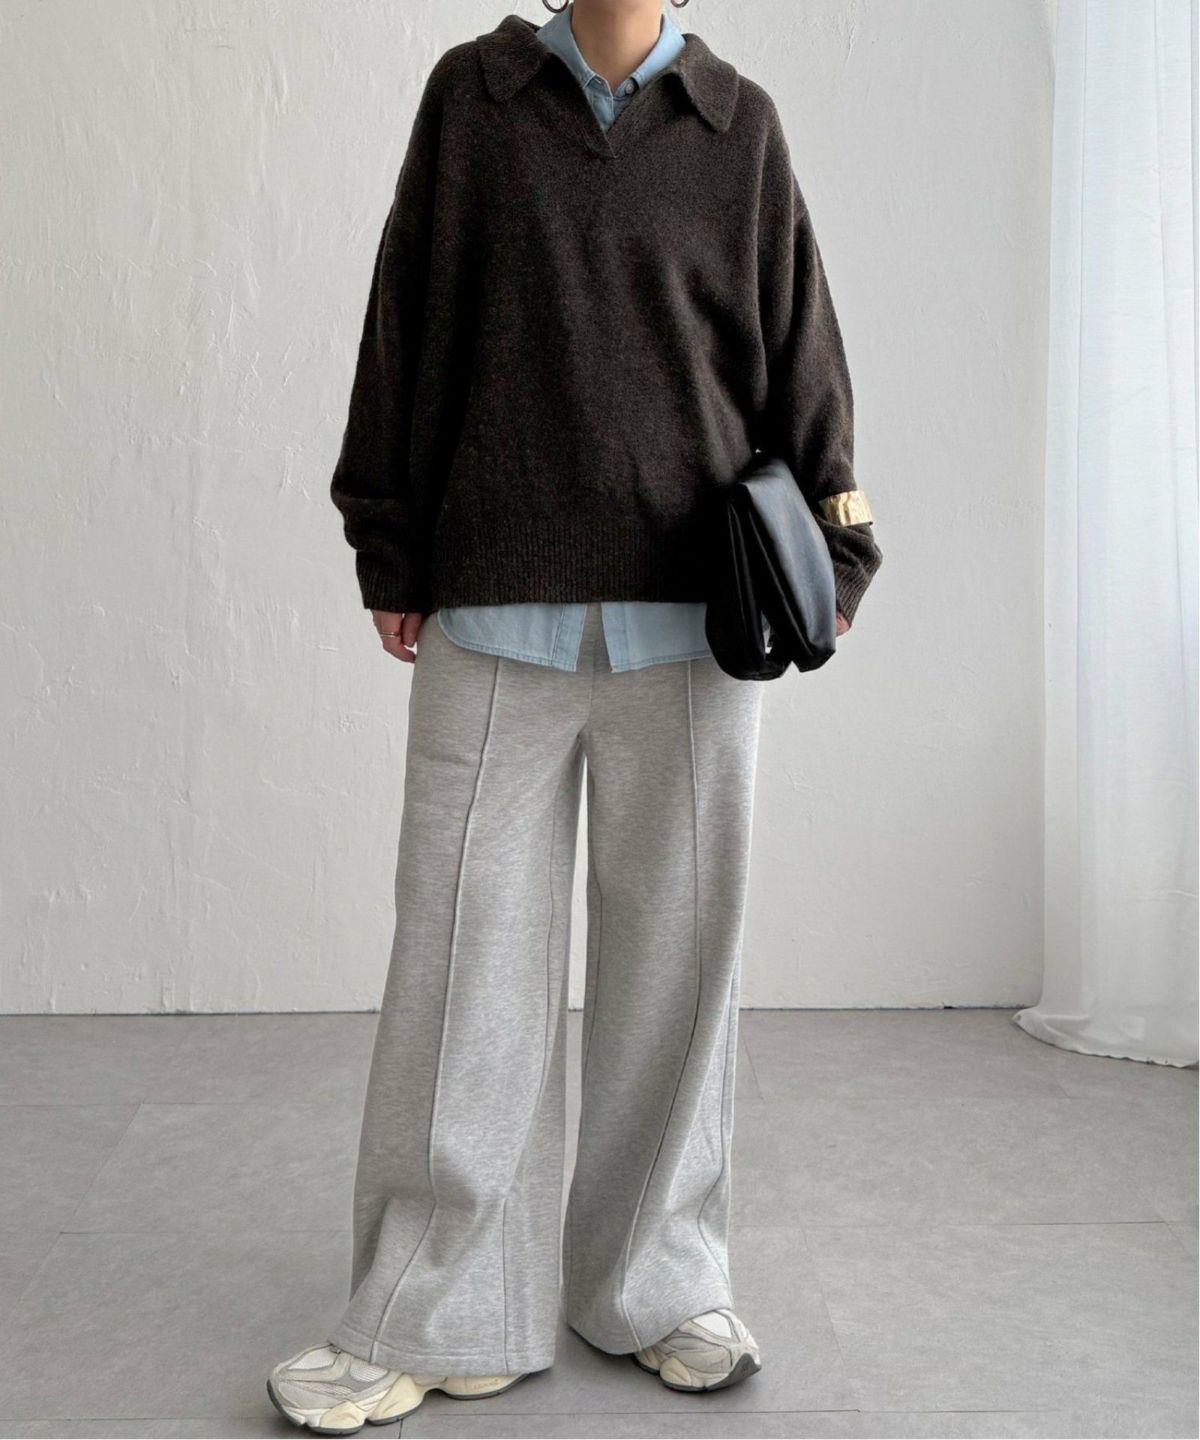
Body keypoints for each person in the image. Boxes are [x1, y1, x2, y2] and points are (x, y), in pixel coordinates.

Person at [268, 1, 881, 1431]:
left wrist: (839, 549)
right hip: (494, 604)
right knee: (458, 977)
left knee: (678, 969)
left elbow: (803, 352)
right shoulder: (472, 101)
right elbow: (404, 325)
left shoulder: (737, 127)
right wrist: (389, 545)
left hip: (700, 622)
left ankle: (659, 1287)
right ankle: (440, 1311)